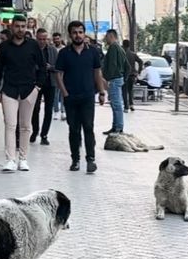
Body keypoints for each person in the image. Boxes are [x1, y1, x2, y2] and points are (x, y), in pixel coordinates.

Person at [0, 15, 46, 172]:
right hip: (9, 90)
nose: (21, 29)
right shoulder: (4, 47)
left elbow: (42, 67)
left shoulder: (33, 46)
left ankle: (23, 159)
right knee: (10, 125)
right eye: (17, 26)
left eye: (23, 26)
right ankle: (10, 159)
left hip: (29, 90)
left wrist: (38, 87)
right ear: (12, 27)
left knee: (25, 126)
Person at [55, 20, 106, 174]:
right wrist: (65, 93)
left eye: (80, 32)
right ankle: (75, 159)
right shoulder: (64, 53)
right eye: (75, 32)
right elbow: (59, 75)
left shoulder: (93, 52)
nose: (78, 35)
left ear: (84, 34)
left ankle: (90, 159)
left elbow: (97, 73)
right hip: (70, 97)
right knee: (74, 129)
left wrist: (102, 92)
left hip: (88, 96)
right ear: (70, 35)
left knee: (88, 128)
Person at [30, 29, 58, 146]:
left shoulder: (52, 50)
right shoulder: (32, 49)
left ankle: (44, 134)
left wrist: (50, 67)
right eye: (40, 39)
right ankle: (35, 131)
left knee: (48, 110)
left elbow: (58, 66)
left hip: (50, 83)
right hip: (35, 83)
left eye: (44, 39)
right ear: (36, 38)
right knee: (34, 109)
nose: (42, 41)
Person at [101, 30, 127, 135]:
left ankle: (118, 127)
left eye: (106, 37)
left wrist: (106, 79)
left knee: (116, 104)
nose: (105, 39)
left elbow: (112, 65)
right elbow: (127, 66)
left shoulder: (113, 48)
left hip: (114, 79)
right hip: (118, 78)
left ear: (111, 36)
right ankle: (116, 126)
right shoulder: (120, 49)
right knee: (116, 104)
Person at [122, 39, 143, 113]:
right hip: (132, 75)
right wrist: (139, 71)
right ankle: (131, 104)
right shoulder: (133, 54)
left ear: (123, 45)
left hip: (124, 75)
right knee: (130, 90)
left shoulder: (122, 53)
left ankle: (126, 106)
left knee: (124, 90)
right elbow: (140, 61)